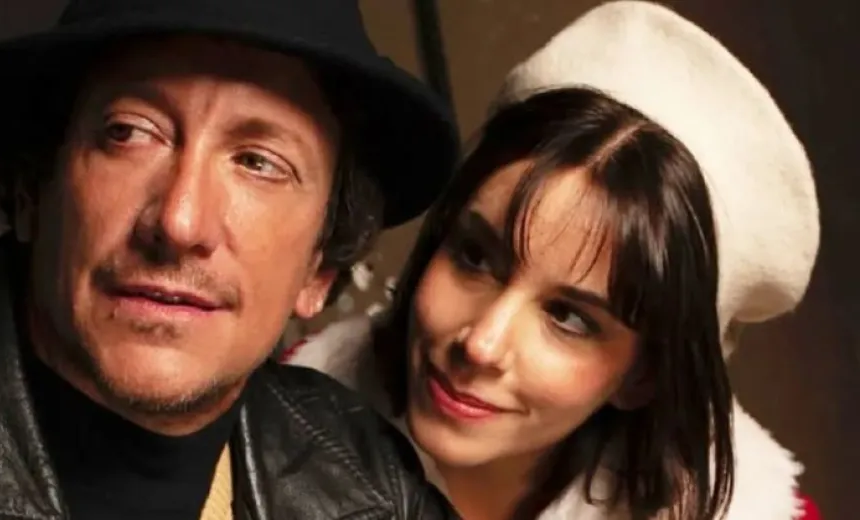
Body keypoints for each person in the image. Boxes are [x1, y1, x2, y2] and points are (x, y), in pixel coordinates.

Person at [0, 0, 462, 518]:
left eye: (258, 162)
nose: (179, 222)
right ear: (33, 194)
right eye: (130, 132)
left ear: (319, 269)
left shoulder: (376, 487)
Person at [285, 2, 821, 518]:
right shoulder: (272, 422)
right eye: (475, 258)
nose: (482, 344)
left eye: (569, 318)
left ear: (644, 375)